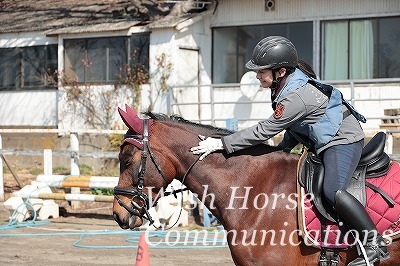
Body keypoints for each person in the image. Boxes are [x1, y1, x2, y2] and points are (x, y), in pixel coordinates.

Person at [190, 36, 389, 265]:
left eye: (261, 71)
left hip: (342, 140)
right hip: (324, 140)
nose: (257, 76)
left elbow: (265, 129)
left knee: (333, 190)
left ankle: (375, 244)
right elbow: (295, 126)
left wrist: (222, 143)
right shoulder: (285, 87)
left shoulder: (295, 96)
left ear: (280, 71)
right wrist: (282, 150)